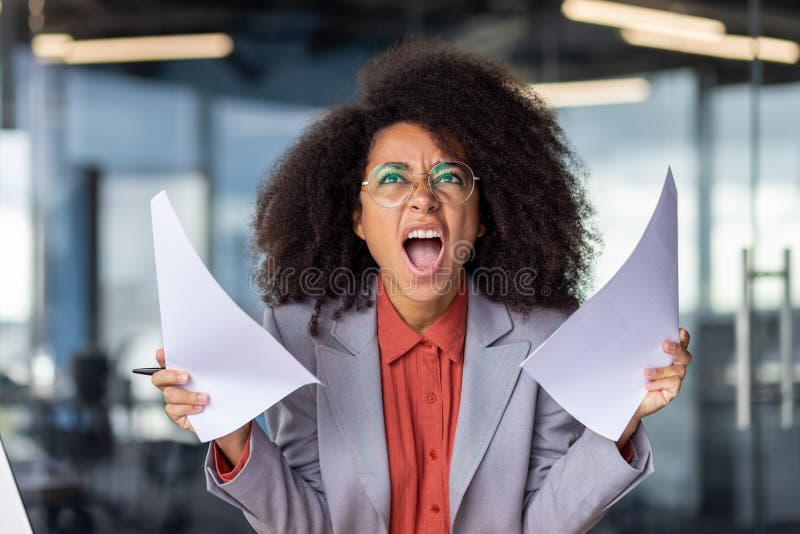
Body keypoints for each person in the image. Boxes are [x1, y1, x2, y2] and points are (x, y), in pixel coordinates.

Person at [150, 37, 693, 534]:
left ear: (483, 215)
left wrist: (619, 415)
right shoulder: (299, 335)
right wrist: (235, 436)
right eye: (392, 178)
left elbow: (543, 524)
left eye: (449, 177)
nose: (423, 198)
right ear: (357, 219)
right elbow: (307, 523)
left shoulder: (545, 334)